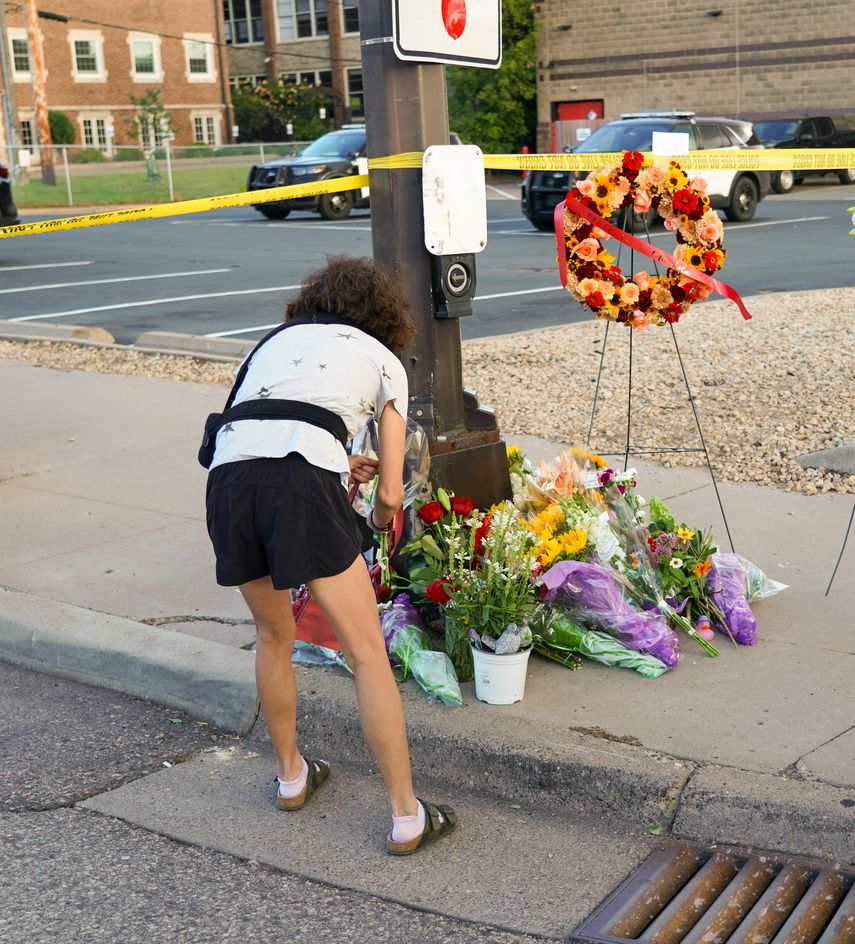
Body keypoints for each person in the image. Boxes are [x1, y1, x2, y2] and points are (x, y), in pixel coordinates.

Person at [205, 255, 457, 855]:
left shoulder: (270, 343)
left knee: (273, 636)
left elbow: (261, 425)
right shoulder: (383, 359)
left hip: (228, 484)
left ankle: (291, 777)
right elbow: (391, 493)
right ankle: (407, 816)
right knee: (367, 654)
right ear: (384, 316)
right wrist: (373, 524)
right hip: (301, 487)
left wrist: (336, 462)